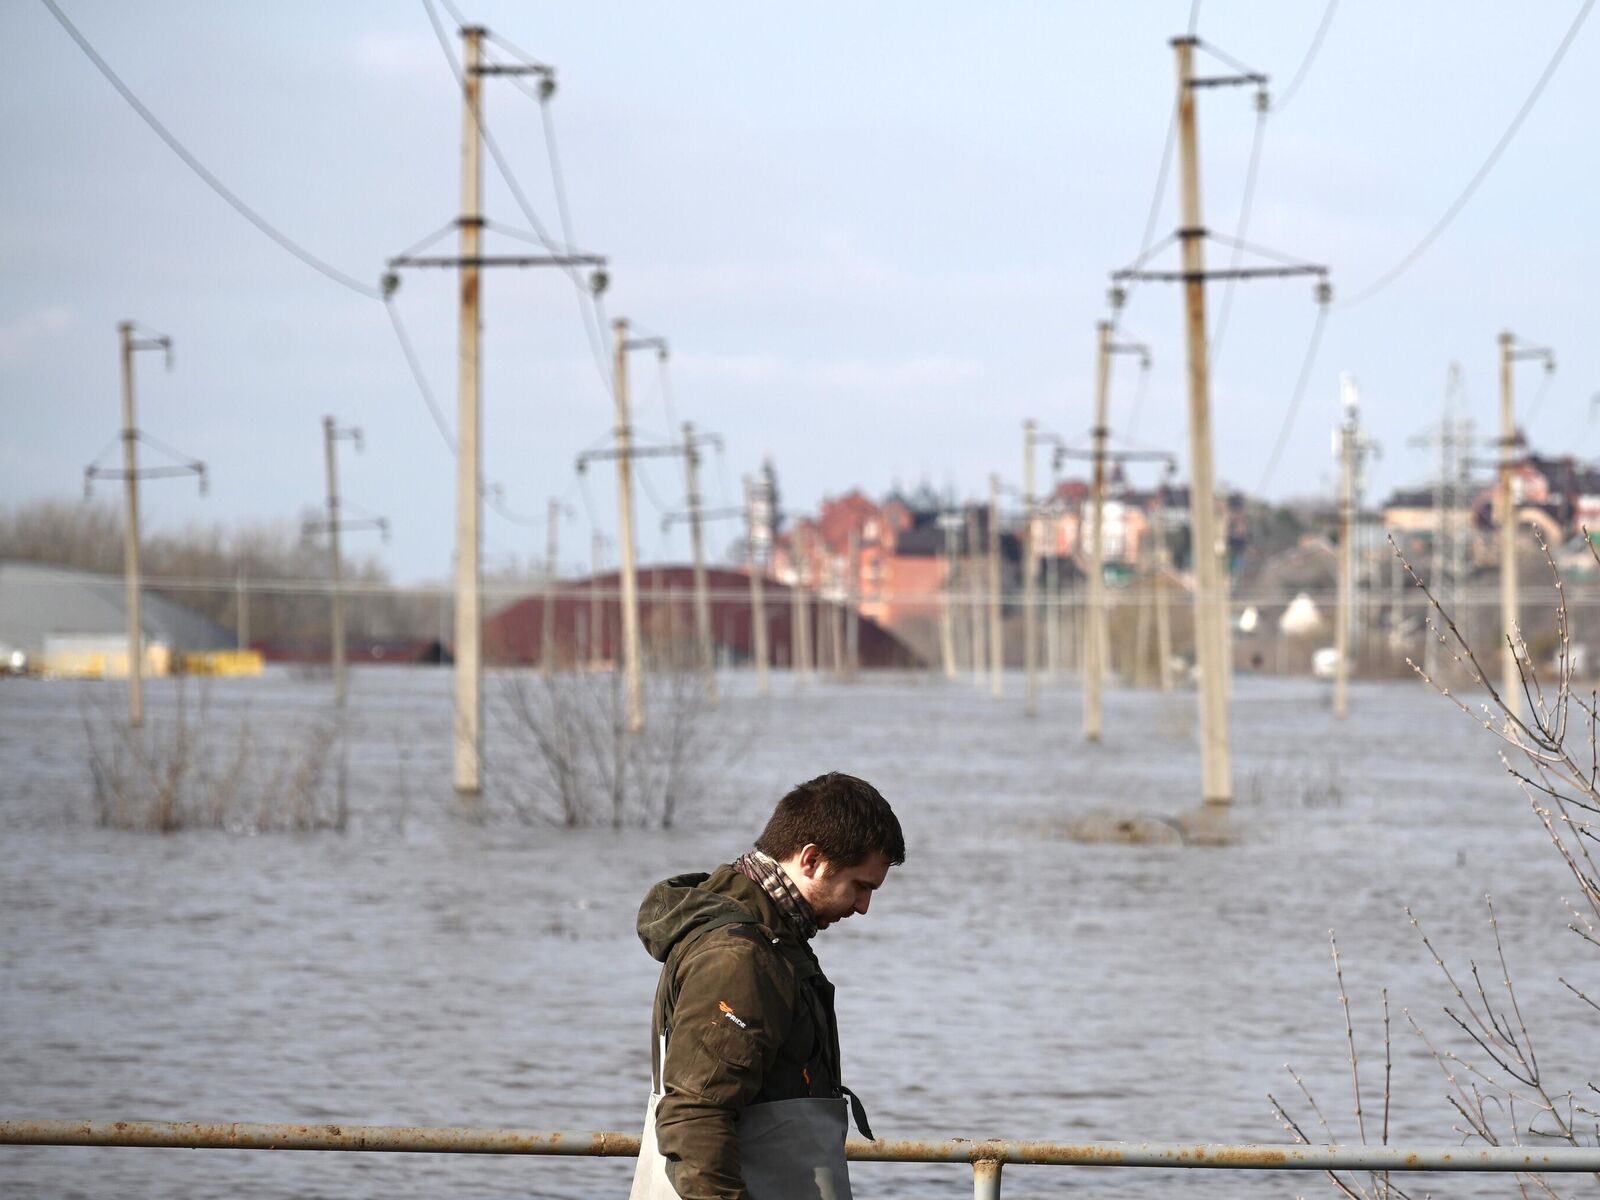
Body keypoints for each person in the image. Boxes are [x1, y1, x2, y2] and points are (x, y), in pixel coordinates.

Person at [629, 772, 906, 1200]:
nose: (864, 907)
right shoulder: (740, 957)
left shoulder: (771, 937)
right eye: (860, 886)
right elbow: (694, 1119)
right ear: (811, 859)